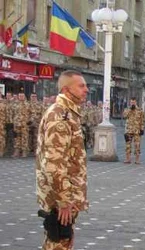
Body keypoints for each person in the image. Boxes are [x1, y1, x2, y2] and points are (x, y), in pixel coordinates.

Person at [35, 70, 89, 249]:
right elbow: (54, 163)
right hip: (60, 197)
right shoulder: (60, 116)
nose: (86, 90)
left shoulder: (68, 113)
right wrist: (64, 200)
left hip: (65, 194)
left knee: (61, 242)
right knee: (58, 243)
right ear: (66, 90)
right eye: (81, 86)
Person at [123, 97, 145, 164]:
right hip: (129, 130)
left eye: (134, 102)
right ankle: (128, 158)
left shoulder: (140, 110)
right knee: (128, 145)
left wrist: (142, 129)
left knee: (137, 145)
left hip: (137, 130)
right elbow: (124, 116)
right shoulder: (127, 109)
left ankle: (137, 159)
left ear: (136, 102)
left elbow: (142, 120)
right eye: (131, 102)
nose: (132, 103)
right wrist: (130, 110)